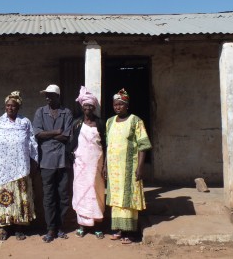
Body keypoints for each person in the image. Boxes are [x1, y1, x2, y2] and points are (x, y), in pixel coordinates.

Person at [0, 91, 38, 241]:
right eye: (8, 106)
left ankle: (19, 228)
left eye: (13, 106)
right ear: (5, 107)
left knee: (21, 198)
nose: (10, 108)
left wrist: (34, 163)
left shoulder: (25, 123)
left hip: (21, 168)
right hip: (2, 169)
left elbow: (33, 144)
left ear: (18, 107)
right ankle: (5, 228)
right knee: (4, 198)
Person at [105, 89, 152, 244]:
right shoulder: (109, 122)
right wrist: (105, 165)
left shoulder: (135, 121)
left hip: (129, 167)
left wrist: (140, 167)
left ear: (127, 105)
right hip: (113, 169)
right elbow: (108, 145)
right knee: (116, 199)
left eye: (121, 104)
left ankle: (130, 232)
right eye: (115, 104)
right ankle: (118, 229)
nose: (118, 107)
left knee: (129, 198)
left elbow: (143, 145)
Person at [33, 84, 73, 243]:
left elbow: (66, 136)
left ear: (58, 96)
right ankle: (50, 228)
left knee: (63, 195)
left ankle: (60, 226)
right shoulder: (40, 112)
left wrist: (48, 135)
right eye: (46, 95)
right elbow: (37, 134)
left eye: (50, 95)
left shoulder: (67, 112)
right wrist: (57, 132)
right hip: (46, 160)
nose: (47, 98)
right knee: (49, 196)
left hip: (63, 160)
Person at [70, 86, 106, 239]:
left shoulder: (100, 123)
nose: (88, 108)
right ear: (82, 107)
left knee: (96, 193)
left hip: (96, 165)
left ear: (94, 107)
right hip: (81, 166)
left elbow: (106, 144)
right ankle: (82, 226)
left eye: (91, 106)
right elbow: (71, 143)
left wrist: (105, 165)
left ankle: (97, 225)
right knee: (81, 193)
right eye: (86, 106)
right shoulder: (77, 123)